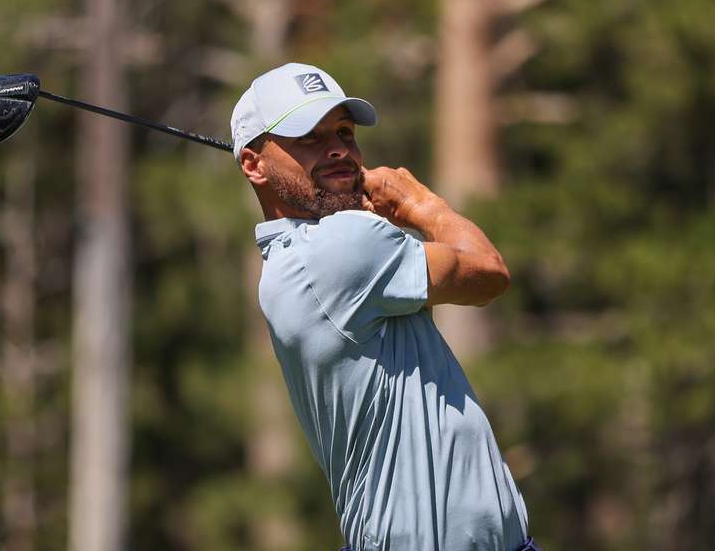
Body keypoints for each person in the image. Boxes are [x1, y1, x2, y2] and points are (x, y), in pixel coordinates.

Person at [230, 63, 539, 551]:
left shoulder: (295, 262)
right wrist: (420, 204)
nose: (338, 149)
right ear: (254, 164)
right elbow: (488, 272)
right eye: (307, 138)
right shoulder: (343, 245)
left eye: (344, 133)